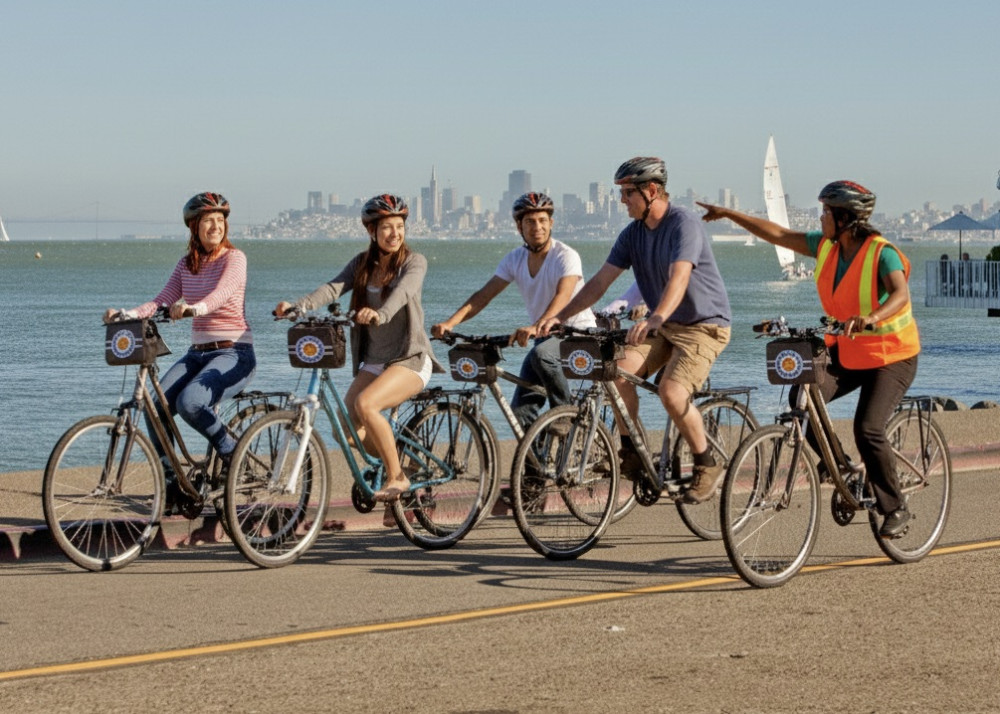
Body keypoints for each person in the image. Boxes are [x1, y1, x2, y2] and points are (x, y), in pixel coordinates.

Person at [698, 180, 920, 538]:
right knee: (801, 396)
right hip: (848, 352)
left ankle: (895, 507)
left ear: (845, 217)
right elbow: (778, 234)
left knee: (868, 428)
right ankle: (842, 467)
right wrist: (729, 214)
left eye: (826, 212)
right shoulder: (827, 248)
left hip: (890, 356)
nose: (821, 218)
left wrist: (872, 318)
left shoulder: (882, 252)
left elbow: (900, 293)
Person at [538, 157, 732, 504]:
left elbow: (680, 276)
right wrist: (562, 315)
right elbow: (599, 281)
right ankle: (631, 451)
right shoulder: (633, 234)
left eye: (628, 193)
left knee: (672, 393)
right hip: (666, 325)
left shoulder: (683, 224)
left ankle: (707, 463)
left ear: (652, 191)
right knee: (615, 373)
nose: (622, 200)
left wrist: (656, 316)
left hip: (704, 327)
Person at [275, 194, 442, 502]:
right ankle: (401, 462)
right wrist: (297, 308)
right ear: (372, 232)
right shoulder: (362, 264)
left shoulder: (414, 262)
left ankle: (397, 477)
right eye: (387, 227)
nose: (394, 233)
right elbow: (332, 287)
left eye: (399, 226)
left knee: (366, 405)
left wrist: (380, 314)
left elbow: (403, 293)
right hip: (376, 360)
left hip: (411, 359)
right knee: (346, 430)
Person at [103, 192, 256, 513]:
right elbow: (161, 299)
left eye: (220, 221)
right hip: (198, 353)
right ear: (194, 228)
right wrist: (126, 314)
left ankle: (231, 452)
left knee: (191, 402)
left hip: (235, 353)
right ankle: (174, 483)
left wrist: (193, 308)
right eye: (207, 221)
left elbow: (221, 294)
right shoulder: (186, 264)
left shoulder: (235, 258)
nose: (215, 227)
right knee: (155, 405)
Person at [431, 192, 596, 429]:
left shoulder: (566, 255)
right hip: (545, 337)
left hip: (576, 334)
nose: (537, 227)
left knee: (542, 355)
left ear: (551, 223)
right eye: (530, 222)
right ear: (519, 227)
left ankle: (565, 415)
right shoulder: (515, 259)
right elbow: (483, 296)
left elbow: (564, 295)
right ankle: (536, 466)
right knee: (519, 414)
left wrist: (535, 326)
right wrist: (450, 323)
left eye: (542, 220)